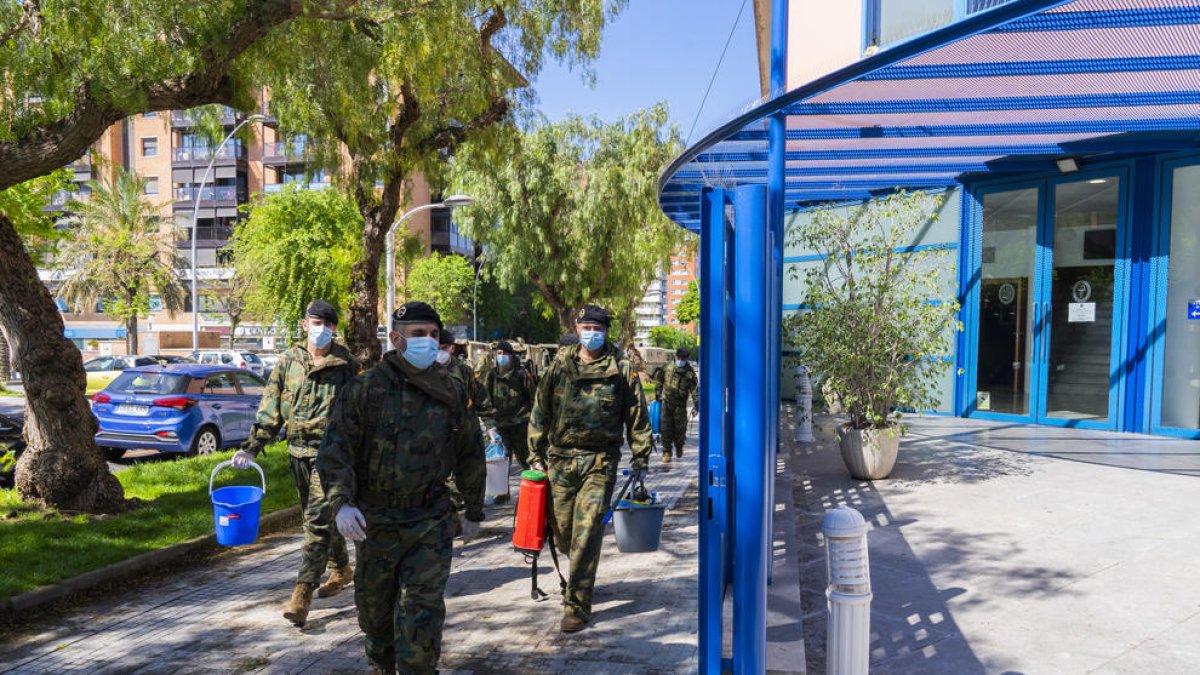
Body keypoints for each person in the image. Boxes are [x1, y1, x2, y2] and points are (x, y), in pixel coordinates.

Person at [317, 301, 484, 674]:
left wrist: (473, 509)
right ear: (395, 339)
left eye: (434, 335)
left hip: (430, 519)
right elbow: (335, 449)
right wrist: (341, 502)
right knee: (376, 617)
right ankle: (381, 664)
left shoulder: (451, 390)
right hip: (375, 522)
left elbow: (470, 450)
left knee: (419, 620)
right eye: (418, 335)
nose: (428, 341)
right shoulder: (366, 388)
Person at [232, 300, 359, 627]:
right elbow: (271, 406)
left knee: (315, 520)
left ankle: (302, 592)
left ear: (334, 329)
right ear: (305, 325)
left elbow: (361, 413)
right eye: (315, 323)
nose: (321, 329)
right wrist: (253, 446)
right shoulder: (288, 361)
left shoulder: (346, 364)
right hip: (297, 452)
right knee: (318, 517)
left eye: (327, 325)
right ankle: (342, 568)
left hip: (331, 455)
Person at [528, 304, 652, 633]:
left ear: (606, 331)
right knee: (564, 532)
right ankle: (580, 574)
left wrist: (641, 456)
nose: (591, 332)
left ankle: (577, 604)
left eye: (597, 327)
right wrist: (534, 452)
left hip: (600, 462)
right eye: (586, 327)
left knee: (587, 532)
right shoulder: (560, 364)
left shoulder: (621, 368)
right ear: (577, 327)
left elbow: (637, 415)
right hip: (560, 460)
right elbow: (541, 407)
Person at [438, 329, 489, 518]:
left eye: (444, 348)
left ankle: (474, 513)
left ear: (451, 348)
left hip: (468, 434)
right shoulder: (425, 372)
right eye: (437, 347)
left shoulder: (463, 371)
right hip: (440, 436)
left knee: (474, 475)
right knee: (446, 480)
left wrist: (491, 426)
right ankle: (451, 518)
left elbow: (481, 399)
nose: (440, 352)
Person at [478, 340, 537, 473]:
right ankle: (502, 494)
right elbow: (486, 401)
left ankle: (532, 492)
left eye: (505, 353)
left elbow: (534, 399)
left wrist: (535, 424)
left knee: (528, 462)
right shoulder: (492, 375)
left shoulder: (522, 374)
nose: (502, 356)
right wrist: (490, 427)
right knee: (501, 466)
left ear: (511, 355)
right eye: (499, 353)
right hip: (501, 427)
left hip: (521, 426)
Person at [653, 348, 699, 462]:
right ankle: (666, 451)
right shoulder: (667, 367)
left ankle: (679, 447)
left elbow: (695, 390)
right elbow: (659, 380)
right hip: (667, 404)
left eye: (683, 358)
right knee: (665, 428)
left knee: (680, 430)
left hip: (681, 405)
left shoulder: (690, 372)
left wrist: (696, 405)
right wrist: (658, 393)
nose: (681, 360)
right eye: (679, 358)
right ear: (676, 356)